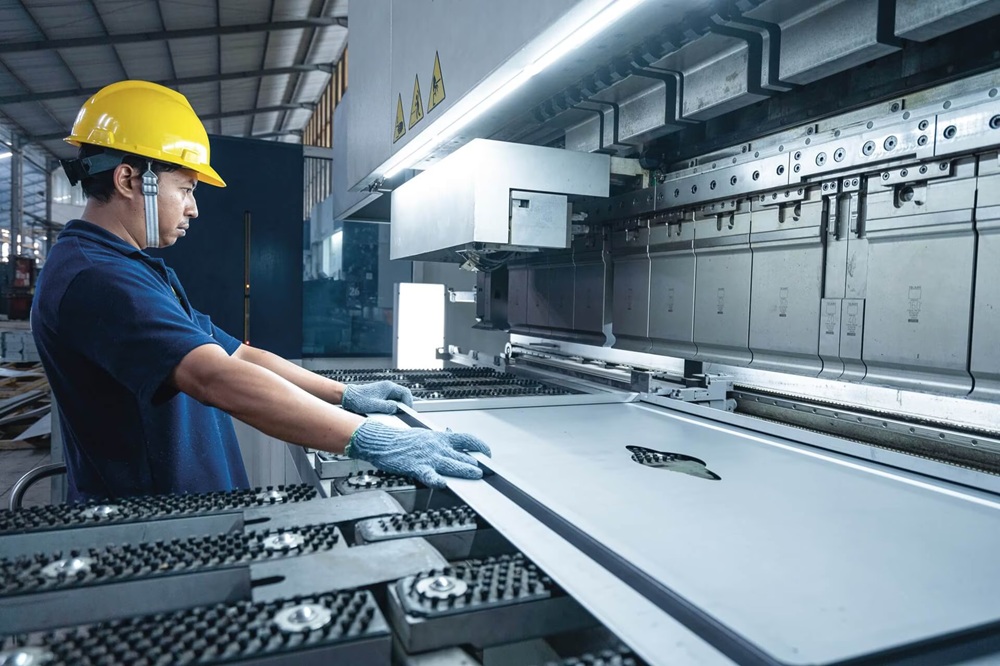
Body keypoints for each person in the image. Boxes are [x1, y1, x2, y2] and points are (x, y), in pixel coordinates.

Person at [30, 80, 491, 503]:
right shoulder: (96, 278)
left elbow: (237, 356)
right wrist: (370, 437)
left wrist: (343, 395)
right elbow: (216, 377)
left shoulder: (128, 268)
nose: (193, 208)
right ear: (130, 179)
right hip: (154, 527)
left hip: (189, 509)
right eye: (186, 188)